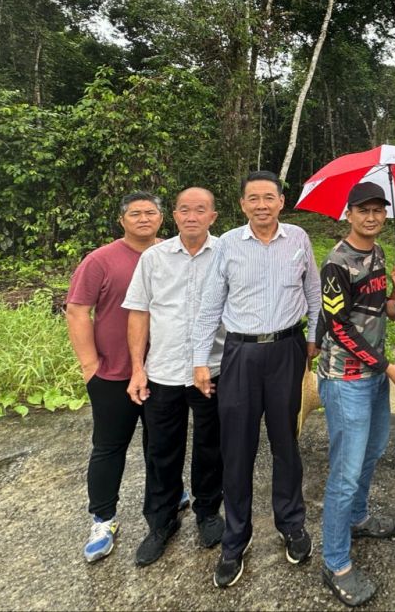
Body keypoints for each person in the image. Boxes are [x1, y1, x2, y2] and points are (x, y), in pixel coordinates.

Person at [191, 170, 321, 588]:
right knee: (237, 448)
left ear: (282, 201)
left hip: (287, 348)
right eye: (253, 198)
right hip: (241, 354)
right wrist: (199, 361)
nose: (262, 205)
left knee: (287, 443)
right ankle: (236, 538)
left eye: (269, 197)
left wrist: (313, 337)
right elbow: (211, 305)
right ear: (243, 204)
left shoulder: (298, 238)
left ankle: (291, 523)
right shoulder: (228, 243)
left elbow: (314, 290)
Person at [316, 182, 395, 607]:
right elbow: (338, 328)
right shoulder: (336, 263)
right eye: (364, 210)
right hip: (346, 380)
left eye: (379, 210)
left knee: (373, 451)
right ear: (349, 214)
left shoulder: (377, 254)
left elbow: (379, 313)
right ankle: (335, 562)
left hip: (373, 375)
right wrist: (387, 367)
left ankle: (357, 519)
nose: (372, 217)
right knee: (345, 472)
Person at [122, 187, 225, 567]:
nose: (192, 216)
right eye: (185, 210)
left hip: (212, 367)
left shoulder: (226, 255)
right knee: (161, 449)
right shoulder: (154, 258)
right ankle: (161, 522)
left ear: (213, 216)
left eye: (201, 210)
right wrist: (137, 368)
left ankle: (208, 512)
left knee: (211, 446)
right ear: (175, 217)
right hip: (163, 369)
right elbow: (139, 313)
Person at [66, 191, 164, 563]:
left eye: (150, 212)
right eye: (135, 213)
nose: (143, 219)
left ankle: (170, 494)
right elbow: (77, 312)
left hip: (162, 371)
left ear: (160, 218)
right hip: (111, 374)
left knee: (162, 442)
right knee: (109, 447)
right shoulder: (100, 261)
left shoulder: (170, 253)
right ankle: (103, 518)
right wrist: (90, 367)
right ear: (122, 220)